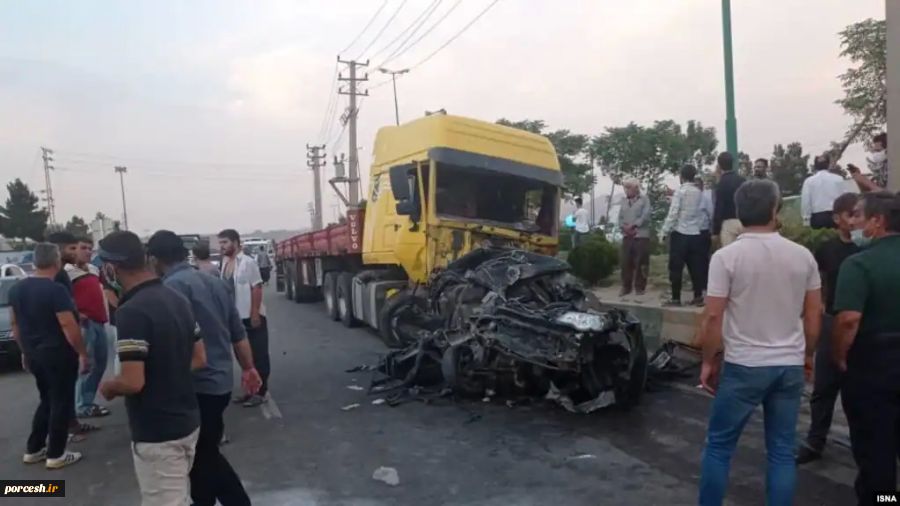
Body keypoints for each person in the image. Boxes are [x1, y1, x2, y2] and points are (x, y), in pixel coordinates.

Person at [697, 179, 822, 506]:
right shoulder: (803, 256)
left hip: (744, 366)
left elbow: (712, 318)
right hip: (789, 365)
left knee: (720, 446)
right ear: (774, 209)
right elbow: (813, 316)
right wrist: (807, 353)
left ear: (739, 213)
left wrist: (709, 361)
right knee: (781, 451)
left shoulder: (726, 258)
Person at [146, 231, 261, 506]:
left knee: (201, 455)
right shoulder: (215, 282)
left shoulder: (170, 290)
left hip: (195, 384)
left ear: (154, 259)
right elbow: (238, 333)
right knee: (204, 452)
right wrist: (249, 368)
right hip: (220, 382)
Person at [97, 231, 205, 506]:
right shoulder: (176, 297)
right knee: (179, 495)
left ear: (112, 267)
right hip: (187, 420)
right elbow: (199, 358)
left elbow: (133, 382)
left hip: (158, 432)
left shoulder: (131, 311)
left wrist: (109, 386)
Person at [832, 191, 900, 504]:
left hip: (876, 365)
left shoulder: (859, 264)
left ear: (878, 221)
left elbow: (848, 320)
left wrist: (840, 356)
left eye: (859, 215)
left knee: (876, 451)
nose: (854, 221)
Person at [9, 243, 90, 469]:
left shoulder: (17, 289)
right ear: (57, 261)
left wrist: (24, 351)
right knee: (61, 402)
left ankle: (34, 449)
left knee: (46, 399)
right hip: (58, 354)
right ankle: (57, 453)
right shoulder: (56, 290)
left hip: (35, 354)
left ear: (35, 261)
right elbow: (67, 324)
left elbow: (15, 323)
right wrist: (82, 353)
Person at [796, 193, 860, 464]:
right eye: (851, 215)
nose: (856, 221)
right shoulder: (826, 249)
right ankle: (815, 441)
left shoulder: (867, 249)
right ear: (837, 219)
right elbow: (814, 280)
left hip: (859, 324)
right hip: (832, 321)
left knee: (858, 392)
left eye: (859, 215)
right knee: (823, 388)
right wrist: (818, 305)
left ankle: (864, 447)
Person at [47, 231, 97, 439]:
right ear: (58, 250)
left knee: (66, 386)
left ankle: (72, 423)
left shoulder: (63, 274)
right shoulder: (58, 277)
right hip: (62, 338)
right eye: (72, 248)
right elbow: (63, 311)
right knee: (61, 389)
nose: (76, 252)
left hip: (64, 335)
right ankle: (61, 435)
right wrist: (81, 350)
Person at [219, 229, 271, 407]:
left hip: (250, 315)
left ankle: (261, 392)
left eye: (225, 242)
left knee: (258, 355)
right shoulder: (225, 263)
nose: (222, 246)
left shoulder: (247, 262)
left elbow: (256, 287)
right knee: (243, 356)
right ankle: (250, 390)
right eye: (220, 243)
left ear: (235, 242)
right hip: (234, 318)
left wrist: (255, 313)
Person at [67, 236, 110, 418]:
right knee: (88, 365)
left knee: (100, 363)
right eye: (83, 247)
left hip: (100, 321)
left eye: (89, 248)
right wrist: (77, 313)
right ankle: (82, 405)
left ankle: (87, 401)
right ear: (73, 249)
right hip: (85, 324)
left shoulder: (93, 269)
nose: (87, 251)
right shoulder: (67, 273)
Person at [661, 165, 706, 307]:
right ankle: (698, 296)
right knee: (695, 267)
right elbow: (700, 213)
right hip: (695, 233)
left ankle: (676, 298)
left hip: (680, 233)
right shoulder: (698, 192)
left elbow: (673, 213)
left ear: (682, 176)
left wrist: (664, 231)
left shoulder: (680, 192)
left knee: (676, 268)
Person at [617, 178, 651, 297]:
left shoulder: (644, 199)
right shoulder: (624, 201)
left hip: (641, 235)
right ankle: (626, 287)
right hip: (627, 235)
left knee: (641, 262)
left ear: (636, 188)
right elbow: (620, 217)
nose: (626, 190)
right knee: (626, 262)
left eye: (628, 187)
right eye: (625, 187)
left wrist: (635, 225)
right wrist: (624, 227)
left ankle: (640, 287)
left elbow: (646, 215)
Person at [801, 154, 847, 229]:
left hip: (817, 217)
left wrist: (806, 221)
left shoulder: (808, 181)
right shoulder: (839, 179)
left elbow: (806, 202)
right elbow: (845, 199)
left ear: (815, 166)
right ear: (828, 164)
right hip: (836, 215)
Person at [712, 152, 746, 247]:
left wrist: (715, 231)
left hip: (728, 223)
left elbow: (718, 207)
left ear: (719, 165)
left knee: (730, 255)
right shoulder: (742, 180)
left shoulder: (721, 184)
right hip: (744, 221)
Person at [697, 178, 715, 295]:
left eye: (698, 185)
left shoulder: (706, 197)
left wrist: (712, 230)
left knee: (704, 258)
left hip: (704, 230)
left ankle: (706, 284)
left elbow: (711, 213)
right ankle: (698, 284)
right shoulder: (690, 197)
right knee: (695, 260)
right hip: (692, 231)